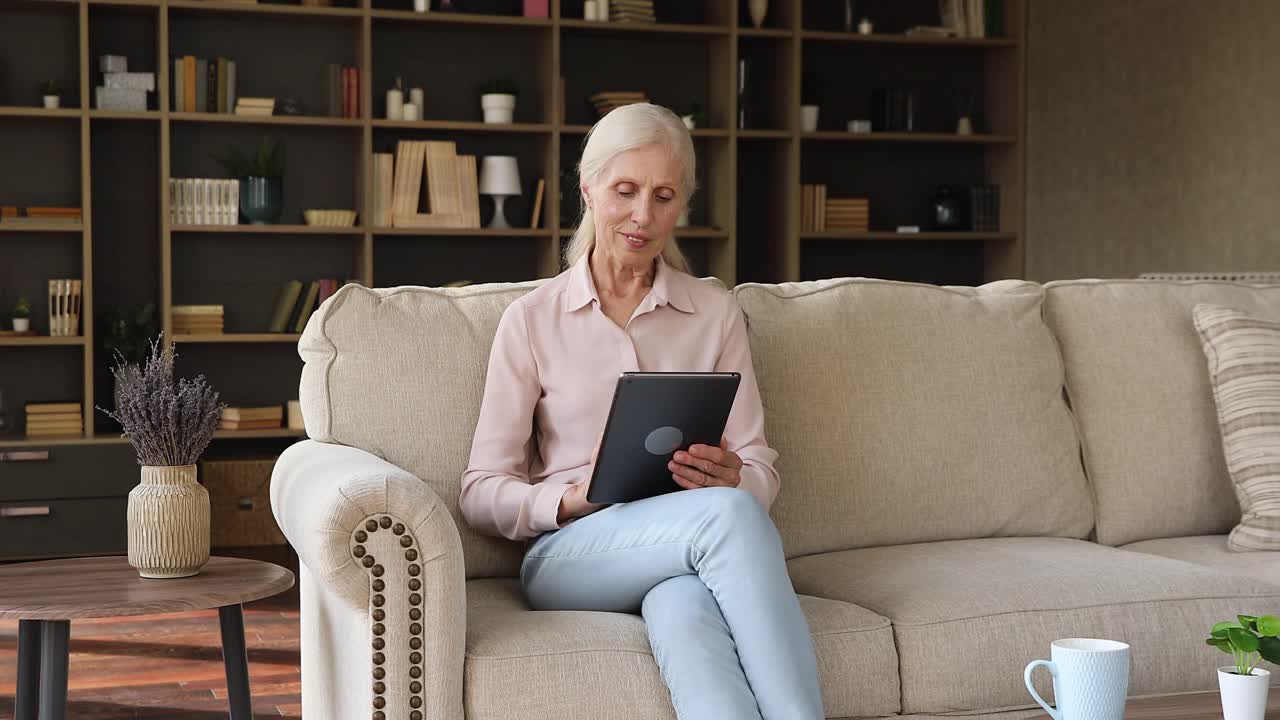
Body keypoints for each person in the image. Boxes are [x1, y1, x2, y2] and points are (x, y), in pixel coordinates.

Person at [460, 103, 824, 720]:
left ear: (682, 205)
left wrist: (737, 476)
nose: (642, 215)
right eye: (625, 191)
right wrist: (575, 497)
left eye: (663, 196)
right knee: (726, 520)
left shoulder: (714, 313)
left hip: (685, 549)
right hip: (570, 555)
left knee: (686, 608)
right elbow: (478, 492)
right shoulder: (531, 320)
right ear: (588, 189)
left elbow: (758, 464)